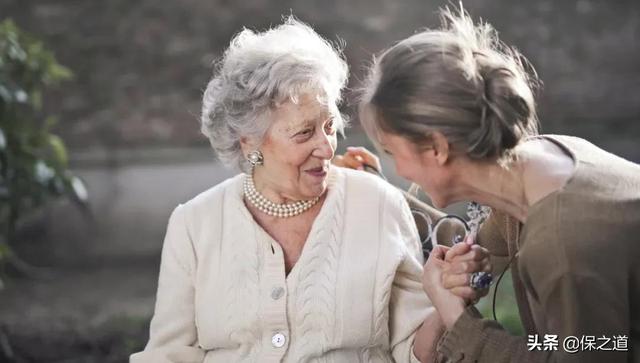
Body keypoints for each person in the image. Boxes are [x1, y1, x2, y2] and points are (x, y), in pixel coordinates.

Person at [130, 18, 490, 363]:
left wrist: (446, 299)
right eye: (304, 133)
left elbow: (414, 351)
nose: (326, 146)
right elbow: (169, 354)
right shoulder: (194, 224)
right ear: (249, 143)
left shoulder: (378, 205)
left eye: (329, 126)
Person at [352, 6, 640, 363]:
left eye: (392, 152)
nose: (400, 169)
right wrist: (468, 268)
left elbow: (591, 355)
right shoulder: (543, 159)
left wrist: (459, 320)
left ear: (438, 148)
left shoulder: (563, 246)